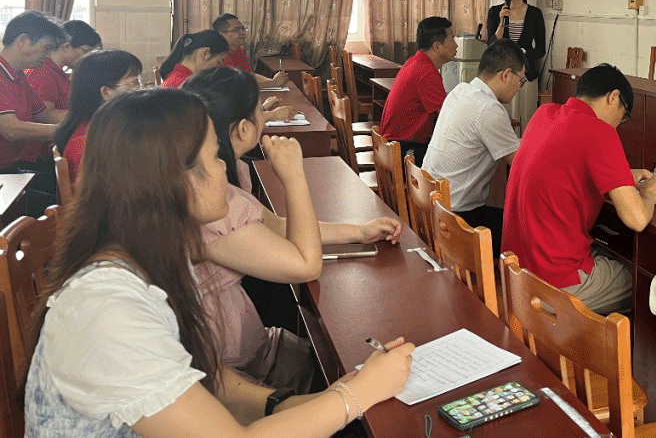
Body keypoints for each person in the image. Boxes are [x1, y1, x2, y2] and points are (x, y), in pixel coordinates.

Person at [25, 88, 413, 437]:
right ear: (173, 181)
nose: (224, 166)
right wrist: (358, 393)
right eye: (213, 156)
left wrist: (300, 402)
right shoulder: (108, 310)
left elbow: (207, 379)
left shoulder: (158, 258)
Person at [186, 68, 402, 389]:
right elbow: (306, 265)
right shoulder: (212, 205)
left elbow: (275, 226)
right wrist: (293, 177)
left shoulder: (226, 179)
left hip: (244, 342)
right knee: (344, 362)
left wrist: (358, 232)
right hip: (230, 364)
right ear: (243, 128)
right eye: (260, 111)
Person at [502, 63, 656, 316]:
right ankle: (594, 340)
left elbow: (567, 166)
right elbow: (637, 219)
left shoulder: (544, 114)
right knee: (646, 280)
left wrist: (622, 176)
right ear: (614, 97)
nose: (618, 124)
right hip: (552, 283)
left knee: (606, 254)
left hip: (514, 272)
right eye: (623, 115)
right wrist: (648, 194)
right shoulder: (601, 132)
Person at [424, 39, 525, 255]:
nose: (519, 88)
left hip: (432, 207)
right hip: (457, 220)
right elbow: (521, 164)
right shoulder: (490, 110)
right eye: (521, 80)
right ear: (506, 75)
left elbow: (507, 143)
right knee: (525, 231)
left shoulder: (461, 91)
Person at [0, 10, 68, 215]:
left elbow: (43, 114)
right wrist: (66, 130)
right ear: (22, 41)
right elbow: (11, 130)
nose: (48, 56)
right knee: (58, 207)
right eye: (46, 48)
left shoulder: (18, 75)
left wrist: (85, 118)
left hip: (15, 168)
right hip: (5, 172)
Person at [55, 49, 143, 182]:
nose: (140, 89)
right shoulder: (90, 144)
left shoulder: (99, 127)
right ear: (106, 92)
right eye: (134, 83)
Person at [379, 16, 457, 165]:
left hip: (392, 146)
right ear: (436, 46)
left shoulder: (415, 62)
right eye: (452, 39)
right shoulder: (427, 73)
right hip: (404, 150)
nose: (456, 45)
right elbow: (447, 116)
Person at [24, 19, 102, 111]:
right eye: (86, 51)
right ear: (66, 47)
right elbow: (44, 114)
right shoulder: (41, 72)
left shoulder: (58, 72)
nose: (88, 57)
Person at [484, 0, 545, 82]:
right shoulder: (494, 11)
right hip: (500, 73)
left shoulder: (535, 13)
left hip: (525, 73)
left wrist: (523, 53)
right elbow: (491, 45)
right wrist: (501, 24)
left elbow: (541, 50)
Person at [212, 13, 287, 89]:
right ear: (221, 35)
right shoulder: (219, 55)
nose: (242, 33)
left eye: (243, 29)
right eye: (236, 30)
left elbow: (250, 75)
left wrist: (274, 80)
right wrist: (273, 83)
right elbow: (237, 85)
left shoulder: (238, 50)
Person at [160, 29, 229, 88]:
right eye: (219, 61)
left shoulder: (175, 76)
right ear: (204, 54)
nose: (219, 67)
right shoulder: (187, 85)